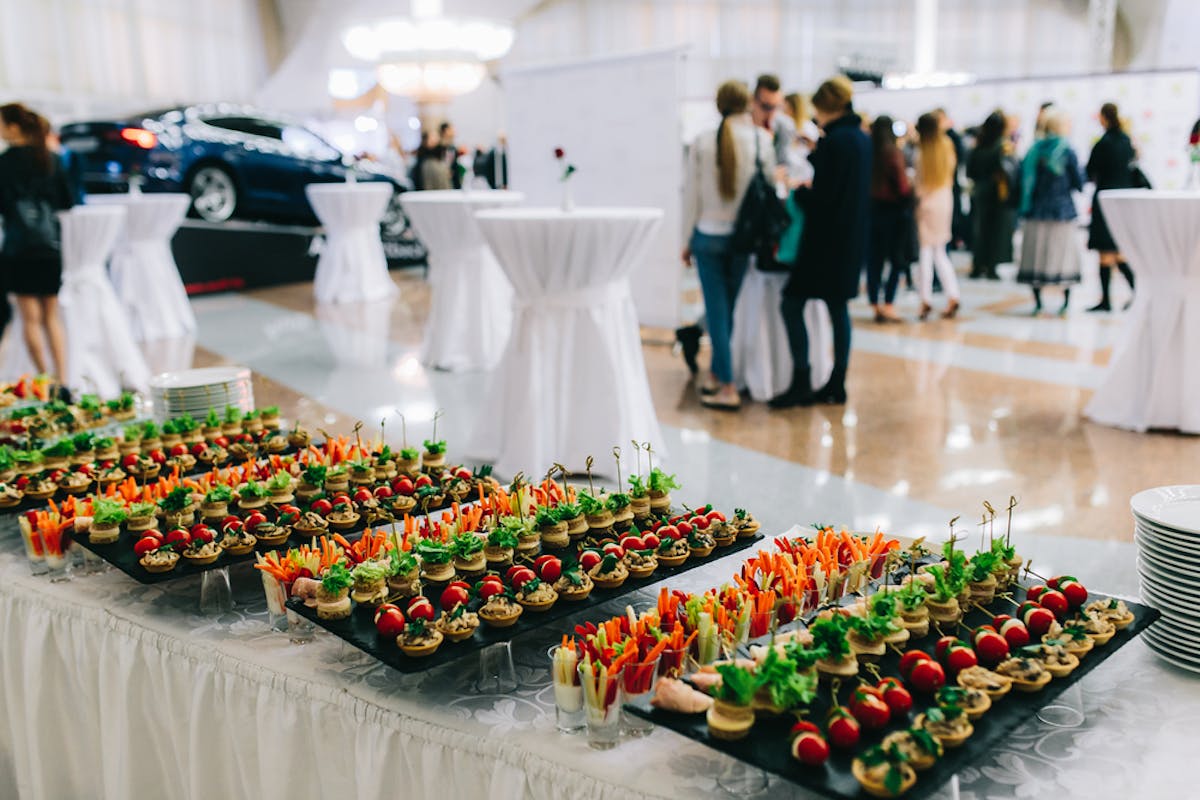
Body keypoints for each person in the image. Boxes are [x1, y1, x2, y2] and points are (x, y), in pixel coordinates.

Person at [769, 76, 870, 408]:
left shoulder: (835, 142)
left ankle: (802, 377)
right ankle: (837, 381)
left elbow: (822, 199)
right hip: (850, 239)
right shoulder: (860, 139)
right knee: (838, 309)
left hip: (824, 243)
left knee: (791, 302)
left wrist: (799, 191)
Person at [681, 80, 775, 411]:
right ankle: (722, 376)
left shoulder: (702, 142)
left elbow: (690, 195)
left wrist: (685, 239)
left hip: (707, 235)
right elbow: (770, 191)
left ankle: (726, 381)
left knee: (717, 311)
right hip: (744, 238)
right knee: (727, 311)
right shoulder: (762, 141)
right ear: (747, 103)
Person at [0, 103, 74, 382]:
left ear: (14, 126)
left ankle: (45, 380)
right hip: (50, 245)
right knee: (52, 317)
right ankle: (63, 380)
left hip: (19, 247)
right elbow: (68, 201)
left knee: (30, 319)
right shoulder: (50, 159)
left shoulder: (4, 164)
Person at [1017, 107, 1084, 316]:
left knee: (1036, 255)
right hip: (1061, 212)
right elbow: (1078, 182)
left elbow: (1024, 181)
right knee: (1062, 256)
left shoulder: (1033, 150)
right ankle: (1065, 302)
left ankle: (1038, 302)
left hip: (1035, 211)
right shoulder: (1066, 150)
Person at [1085, 102, 1136, 311]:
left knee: (1106, 252)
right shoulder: (1126, 141)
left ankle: (1107, 300)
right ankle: (1138, 292)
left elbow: (1090, 171)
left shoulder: (1103, 144)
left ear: (1103, 118)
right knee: (1119, 250)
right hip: (1124, 200)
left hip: (1105, 199)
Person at [913, 112, 960, 320]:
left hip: (926, 203)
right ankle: (953, 294)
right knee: (940, 251)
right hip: (945, 201)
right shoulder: (947, 146)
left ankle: (925, 299)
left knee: (925, 253)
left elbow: (919, 184)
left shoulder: (921, 152)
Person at [866, 115, 912, 322]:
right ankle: (889, 303)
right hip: (894, 212)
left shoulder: (868, 152)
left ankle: (875, 302)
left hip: (872, 211)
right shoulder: (893, 153)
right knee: (895, 259)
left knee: (874, 260)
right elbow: (902, 186)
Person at [966, 110, 1018, 280]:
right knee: (996, 231)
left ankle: (977, 265)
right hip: (998, 193)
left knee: (980, 229)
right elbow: (1010, 171)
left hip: (980, 192)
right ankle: (991, 267)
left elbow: (970, 171)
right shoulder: (1003, 146)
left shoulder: (978, 146)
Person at [752, 74, 792, 175]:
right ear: (753, 101)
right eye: (766, 107)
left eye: (776, 107)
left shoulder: (784, 126)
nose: (771, 113)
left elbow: (784, 164)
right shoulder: (743, 128)